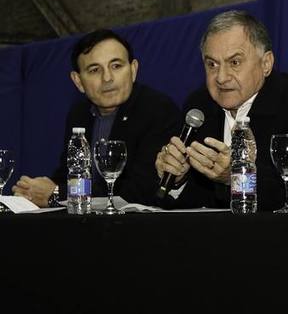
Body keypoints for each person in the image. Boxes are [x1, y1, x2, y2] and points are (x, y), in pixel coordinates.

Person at [154, 10, 288, 211]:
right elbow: (199, 201)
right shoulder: (199, 107)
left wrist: (236, 177)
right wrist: (179, 180)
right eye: (212, 64)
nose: (221, 77)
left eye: (234, 62)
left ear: (266, 64)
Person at [12, 29, 180, 207]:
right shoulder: (80, 113)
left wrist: (56, 194)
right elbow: (69, 174)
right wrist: (33, 190)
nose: (107, 78)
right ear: (78, 81)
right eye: (94, 70)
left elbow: (139, 190)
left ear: (133, 70)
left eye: (116, 66)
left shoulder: (157, 109)